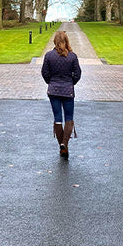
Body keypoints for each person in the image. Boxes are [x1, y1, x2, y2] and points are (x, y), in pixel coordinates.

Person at [41, 30, 82, 158]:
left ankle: (62, 146)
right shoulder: (72, 56)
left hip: (53, 90)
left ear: (55, 41)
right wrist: (71, 83)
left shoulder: (48, 56)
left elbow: (44, 73)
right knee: (69, 118)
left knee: (57, 118)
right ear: (66, 41)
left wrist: (51, 82)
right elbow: (78, 74)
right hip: (68, 90)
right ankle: (64, 144)